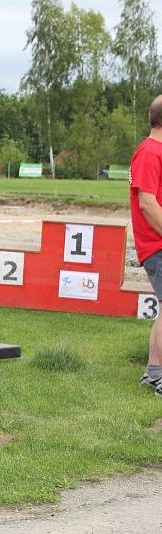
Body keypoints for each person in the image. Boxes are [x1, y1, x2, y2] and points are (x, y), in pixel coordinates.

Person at [131, 95, 162, 396]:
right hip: (158, 245)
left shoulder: (154, 150)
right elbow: (147, 203)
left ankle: (153, 374)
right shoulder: (151, 152)